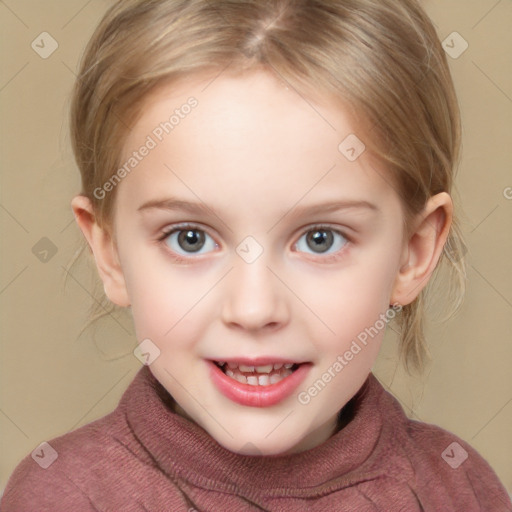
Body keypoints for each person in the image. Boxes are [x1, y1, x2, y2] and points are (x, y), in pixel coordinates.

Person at [2, 0, 510, 510]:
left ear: (413, 252)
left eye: (320, 239)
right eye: (190, 238)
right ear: (109, 252)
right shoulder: (63, 496)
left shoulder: (458, 488)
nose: (253, 309)